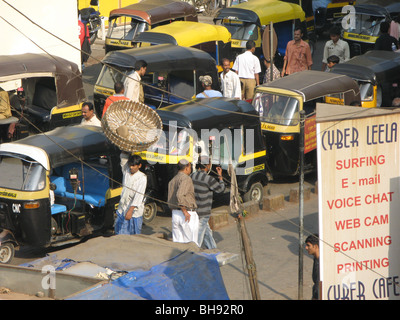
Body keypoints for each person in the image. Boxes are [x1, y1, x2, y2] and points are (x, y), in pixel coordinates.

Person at [191, 156, 225, 249]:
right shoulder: (208, 179)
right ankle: (193, 252)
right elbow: (220, 189)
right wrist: (220, 176)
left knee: (207, 232)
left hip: (195, 210)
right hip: (204, 211)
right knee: (199, 235)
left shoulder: (192, 176)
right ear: (208, 166)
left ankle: (213, 249)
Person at [168, 159, 199, 245]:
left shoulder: (172, 180)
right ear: (186, 168)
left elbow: (170, 200)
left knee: (178, 245)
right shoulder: (186, 179)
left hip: (175, 213)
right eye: (190, 167)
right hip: (186, 213)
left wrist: (176, 212)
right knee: (191, 244)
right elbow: (179, 195)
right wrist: (185, 212)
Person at [114, 153, 147, 235]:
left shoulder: (142, 178)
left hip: (133, 211)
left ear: (139, 166)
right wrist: (126, 149)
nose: (131, 167)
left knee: (133, 235)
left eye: (133, 166)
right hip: (123, 207)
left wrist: (130, 211)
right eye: (130, 165)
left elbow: (138, 196)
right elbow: (123, 160)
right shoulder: (127, 172)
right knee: (120, 233)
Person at [305, 233, 320, 300]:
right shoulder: (316, 258)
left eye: (308, 245)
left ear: (315, 246)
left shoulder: (321, 264)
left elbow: (318, 283)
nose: (306, 248)